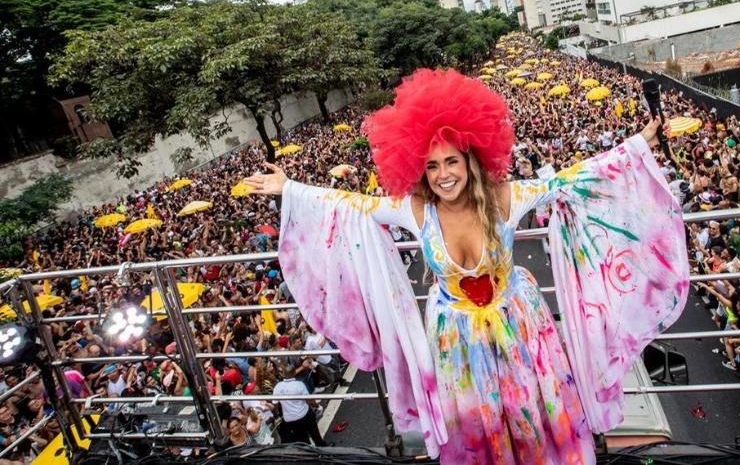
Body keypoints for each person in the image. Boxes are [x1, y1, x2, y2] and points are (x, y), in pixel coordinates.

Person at [244, 68, 690, 464]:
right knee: (477, 428)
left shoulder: (506, 198)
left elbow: (572, 179)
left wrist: (639, 143)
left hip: (520, 330)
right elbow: (350, 205)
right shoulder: (414, 211)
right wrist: (291, 188)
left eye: (452, 161)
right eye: (432, 165)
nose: (443, 175)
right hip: (456, 341)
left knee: (532, 413)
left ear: (472, 158)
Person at [272, 360, 327, 447]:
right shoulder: (299, 384)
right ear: (294, 373)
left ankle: (310, 453)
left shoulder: (278, 387)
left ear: (283, 374)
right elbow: (309, 400)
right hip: (304, 415)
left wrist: (278, 416)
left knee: (302, 439)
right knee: (314, 433)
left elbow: (275, 404)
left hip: (290, 420)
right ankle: (323, 447)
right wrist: (317, 406)